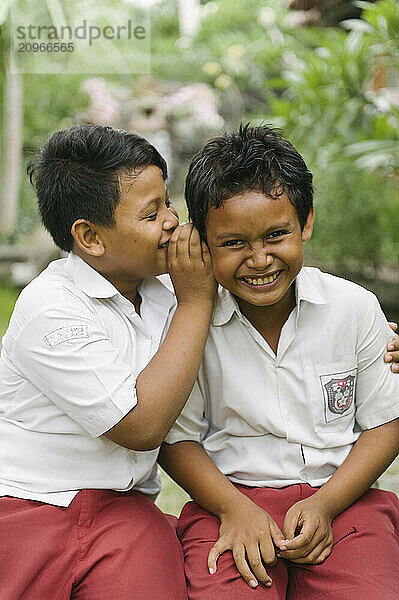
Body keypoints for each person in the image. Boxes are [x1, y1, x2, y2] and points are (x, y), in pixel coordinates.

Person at [159, 124, 399, 600]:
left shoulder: (353, 308)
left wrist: (327, 505)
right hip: (227, 501)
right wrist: (234, 509)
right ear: (202, 239)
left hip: (344, 498)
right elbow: (175, 437)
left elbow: (384, 423)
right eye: (233, 243)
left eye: (276, 235)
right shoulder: (187, 322)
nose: (260, 259)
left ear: (305, 223)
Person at [0, 124, 216, 599]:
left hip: (125, 509)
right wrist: (197, 304)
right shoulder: (51, 307)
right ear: (91, 238)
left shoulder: (166, 290)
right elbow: (139, 427)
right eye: (151, 212)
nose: (171, 221)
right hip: (28, 503)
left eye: (167, 202)